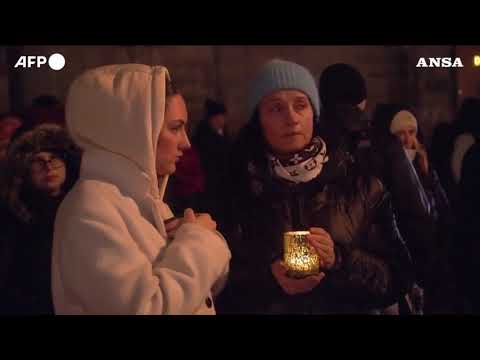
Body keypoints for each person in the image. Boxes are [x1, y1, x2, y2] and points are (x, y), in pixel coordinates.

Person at [217, 59, 413, 314]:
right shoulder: (236, 187)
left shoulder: (360, 184)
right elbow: (218, 286)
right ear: (258, 120)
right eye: (276, 109)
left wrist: (340, 260)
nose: (292, 119)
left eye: (301, 105)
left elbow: (398, 278)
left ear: (314, 112)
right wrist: (268, 278)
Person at [51, 64, 231, 315]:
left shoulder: (141, 199)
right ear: (132, 129)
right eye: (175, 127)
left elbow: (192, 293)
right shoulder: (89, 209)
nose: (186, 142)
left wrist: (194, 240)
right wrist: (199, 242)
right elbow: (145, 308)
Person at [1, 123, 81, 314]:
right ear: (25, 171)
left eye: (54, 158)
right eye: (38, 161)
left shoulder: (83, 208)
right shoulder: (14, 217)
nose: (48, 166)